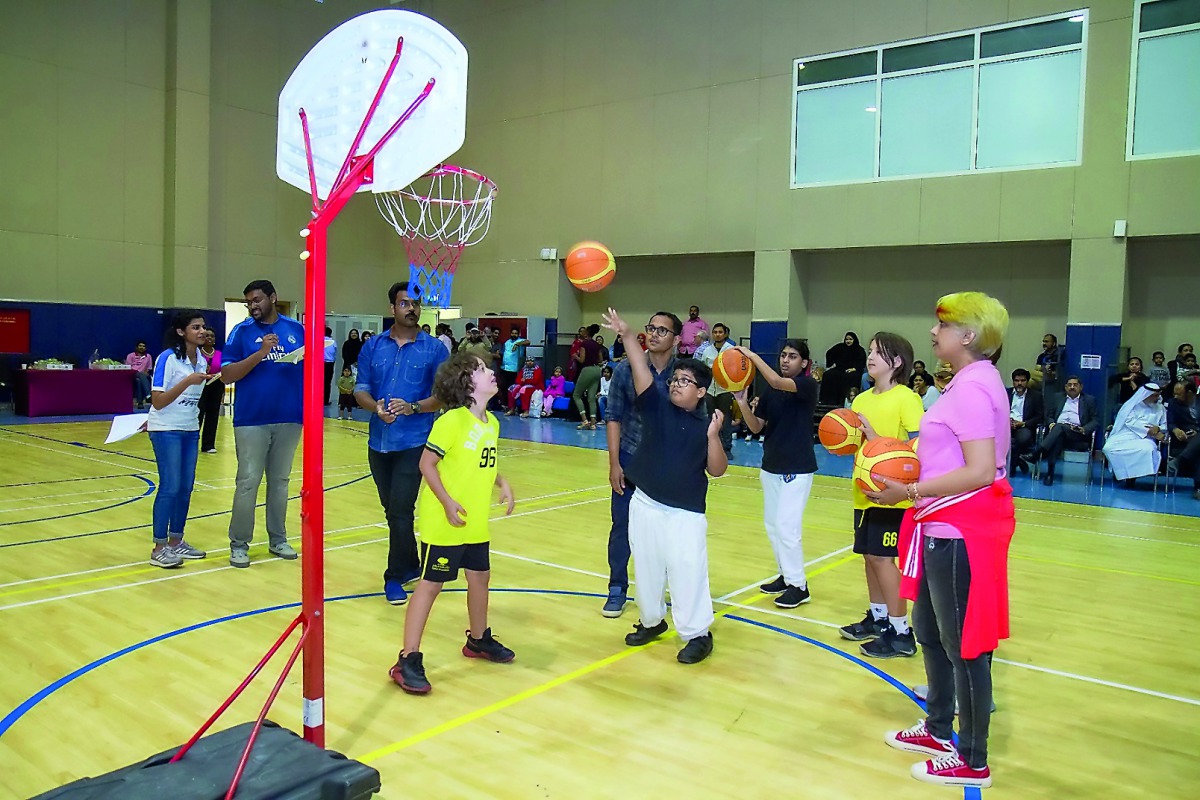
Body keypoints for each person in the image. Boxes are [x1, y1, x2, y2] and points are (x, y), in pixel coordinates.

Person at [869, 291, 1014, 790]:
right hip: (941, 527)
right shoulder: (967, 384)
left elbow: (978, 471)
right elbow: (948, 453)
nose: (934, 332)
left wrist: (907, 489)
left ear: (968, 335)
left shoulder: (974, 389)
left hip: (961, 532)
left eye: (943, 325)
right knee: (930, 631)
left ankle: (973, 757)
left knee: (966, 647)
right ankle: (936, 729)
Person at [601, 307, 727, 664]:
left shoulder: (711, 422)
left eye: (684, 382)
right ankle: (651, 620)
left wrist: (714, 436)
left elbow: (717, 470)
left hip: (685, 513)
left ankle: (697, 633)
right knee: (648, 566)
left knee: (687, 571)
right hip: (646, 503)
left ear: (701, 391)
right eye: (675, 380)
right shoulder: (655, 406)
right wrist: (626, 334)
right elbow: (640, 369)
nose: (675, 384)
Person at [387, 352, 517, 695]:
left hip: (474, 521)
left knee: (480, 577)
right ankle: (408, 658)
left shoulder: (492, 422)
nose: (491, 373)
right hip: (444, 521)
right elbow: (426, 464)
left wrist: (501, 482)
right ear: (465, 383)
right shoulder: (451, 421)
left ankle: (478, 640)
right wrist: (445, 501)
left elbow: (481, 462)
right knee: (430, 584)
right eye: (482, 370)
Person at [354, 281, 449, 605]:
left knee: (400, 510)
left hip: (415, 442)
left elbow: (443, 396)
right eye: (405, 303)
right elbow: (360, 389)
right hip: (379, 442)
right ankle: (410, 565)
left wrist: (413, 407)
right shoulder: (373, 347)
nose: (412, 309)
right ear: (392, 308)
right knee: (392, 509)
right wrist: (375, 408)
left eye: (416, 304)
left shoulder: (435, 349)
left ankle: (393, 577)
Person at [839, 333, 923, 660]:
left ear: (897, 362)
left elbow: (920, 445)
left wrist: (878, 441)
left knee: (883, 559)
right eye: (870, 351)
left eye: (878, 352)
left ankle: (901, 631)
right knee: (868, 557)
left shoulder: (906, 398)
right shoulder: (860, 400)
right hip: (864, 493)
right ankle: (878, 617)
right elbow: (853, 444)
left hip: (894, 496)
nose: (870, 356)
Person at [221, 279, 304, 569]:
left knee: (280, 483)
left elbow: (310, 371)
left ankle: (278, 539)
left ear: (272, 298)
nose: (253, 306)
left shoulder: (296, 330)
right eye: (248, 302)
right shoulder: (240, 332)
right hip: (251, 420)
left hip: (290, 418)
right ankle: (239, 544)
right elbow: (227, 375)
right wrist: (259, 354)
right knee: (247, 482)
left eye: (257, 300)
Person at [600, 312, 679, 617]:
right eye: (651, 328)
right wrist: (614, 464)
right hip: (631, 458)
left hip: (668, 464)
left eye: (663, 330)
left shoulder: (684, 372)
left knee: (668, 530)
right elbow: (614, 417)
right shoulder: (624, 370)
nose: (656, 334)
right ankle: (617, 588)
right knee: (622, 527)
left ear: (675, 338)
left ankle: (669, 587)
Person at [731, 340, 818, 608]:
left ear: (803, 363)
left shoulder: (807, 385)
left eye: (792, 357)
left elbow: (780, 382)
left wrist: (752, 356)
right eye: (782, 355)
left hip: (797, 468)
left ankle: (799, 586)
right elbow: (756, 427)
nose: (785, 360)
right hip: (771, 466)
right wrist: (742, 402)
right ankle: (786, 574)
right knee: (773, 527)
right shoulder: (770, 391)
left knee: (787, 528)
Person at [146, 310, 211, 568]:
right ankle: (159, 546)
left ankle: (176, 541)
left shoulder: (202, 361)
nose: (202, 331)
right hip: (166, 429)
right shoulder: (168, 359)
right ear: (181, 332)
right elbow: (158, 401)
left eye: (203, 327)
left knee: (185, 487)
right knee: (170, 486)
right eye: (196, 327)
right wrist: (187, 382)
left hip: (190, 429)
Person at [1025, 376, 1098, 486]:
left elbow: (1095, 420)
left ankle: (1037, 453)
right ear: (1065, 387)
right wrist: (1051, 423)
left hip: (1078, 433)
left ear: (1081, 387)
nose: (1072, 387)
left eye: (1075, 385)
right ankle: (1050, 474)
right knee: (1059, 435)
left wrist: (1084, 429)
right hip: (1058, 432)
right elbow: (1048, 416)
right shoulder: (1057, 397)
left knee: (1059, 428)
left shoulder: (1089, 400)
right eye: (1069, 385)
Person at [1102, 383, 1167, 488]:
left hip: (1147, 438)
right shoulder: (1132, 405)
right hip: (1126, 433)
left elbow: (1164, 424)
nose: (1158, 398)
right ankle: (1120, 473)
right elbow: (1129, 421)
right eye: (1154, 395)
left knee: (1147, 449)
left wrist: (1158, 428)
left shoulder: (1160, 408)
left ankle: (1131, 478)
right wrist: (1148, 430)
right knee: (1109, 448)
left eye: (1158, 395)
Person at [698, 323, 735, 457]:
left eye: (720, 332)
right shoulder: (707, 351)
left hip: (724, 390)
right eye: (715, 332)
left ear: (725, 334)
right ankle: (711, 447)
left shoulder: (731, 350)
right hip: (709, 390)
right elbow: (702, 370)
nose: (717, 334)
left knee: (725, 419)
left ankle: (727, 448)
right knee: (710, 419)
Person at [1007, 368, 1044, 475]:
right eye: (1017, 380)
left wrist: (1023, 423)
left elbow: (1040, 416)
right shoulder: (1006, 393)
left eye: (1022, 381)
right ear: (1013, 381)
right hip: (1006, 425)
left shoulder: (1036, 396)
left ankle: (1013, 464)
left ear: (1027, 382)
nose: (1019, 383)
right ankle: (1018, 460)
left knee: (1022, 439)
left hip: (1024, 426)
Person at [1167, 383, 1200, 500]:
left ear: (1189, 393)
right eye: (1174, 393)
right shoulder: (1173, 403)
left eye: (1179, 394)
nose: (1176, 396)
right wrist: (1175, 430)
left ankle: (1179, 461)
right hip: (1184, 438)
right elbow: (1170, 422)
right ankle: (1198, 489)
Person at [572, 324, 606, 430]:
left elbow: (582, 360)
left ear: (587, 332)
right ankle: (593, 423)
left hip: (587, 370)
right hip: (597, 370)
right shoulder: (597, 344)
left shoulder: (584, 343)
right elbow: (600, 360)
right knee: (591, 398)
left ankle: (584, 420)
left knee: (576, 395)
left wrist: (575, 356)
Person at [197, 327, 224, 454]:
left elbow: (225, 368)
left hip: (216, 385)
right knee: (198, 414)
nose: (209, 338)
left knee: (213, 415)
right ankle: (192, 443)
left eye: (212, 336)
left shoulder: (220, 354)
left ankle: (208, 444)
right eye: (207, 336)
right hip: (201, 385)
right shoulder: (197, 354)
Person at [821, 332, 867, 406]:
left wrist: (854, 369)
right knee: (828, 375)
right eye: (846, 339)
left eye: (850, 339)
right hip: (840, 369)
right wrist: (832, 363)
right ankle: (828, 401)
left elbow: (861, 363)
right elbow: (829, 353)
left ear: (854, 340)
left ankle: (845, 401)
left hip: (854, 370)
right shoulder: (840, 347)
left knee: (849, 377)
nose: (848, 341)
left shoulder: (859, 350)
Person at [125, 341, 154, 409]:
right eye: (140, 346)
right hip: (132, 374)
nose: (142, 347)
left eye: (143, 346)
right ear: (137, 347)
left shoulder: (148, 356)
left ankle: (140, 403)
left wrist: (144, 373)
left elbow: (148, 369)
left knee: (139, 380)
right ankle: (148, 395)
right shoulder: (130, 356)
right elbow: (128, 368)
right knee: (139, 377)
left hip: (143, 375)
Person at [323, 326, 337, 406]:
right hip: (330, 363)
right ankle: (326, 400)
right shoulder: (333, 342)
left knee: (319, 382)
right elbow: (334, 353)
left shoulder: (318, 340)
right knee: (327, 383)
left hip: (320, 363)